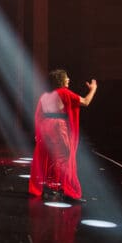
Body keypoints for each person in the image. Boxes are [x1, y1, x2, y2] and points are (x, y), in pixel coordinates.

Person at [28, 69, 97, 203]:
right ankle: (66, 189)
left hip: (46, 126)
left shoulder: (45, 96)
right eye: (66, 77)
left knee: (50, 157)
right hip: (58, 126)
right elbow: (86, 102)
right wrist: (93, 89)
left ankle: (51, 187)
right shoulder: (64, 93)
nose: (69, 79)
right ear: (61, 80)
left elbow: (38, 115)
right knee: (64, 157)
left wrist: (38, 133)